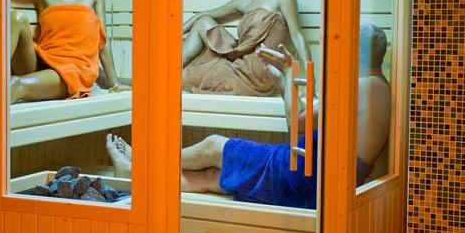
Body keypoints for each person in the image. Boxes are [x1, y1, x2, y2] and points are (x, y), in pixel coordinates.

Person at [107, 23, 391, 208]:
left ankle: (140, 161)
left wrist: (286, 77)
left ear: (357, 51)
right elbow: (310, 117)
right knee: (211, 179)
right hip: (314, 180)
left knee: (214, 146)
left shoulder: (361, 88)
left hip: (302, 179)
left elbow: (298, 124)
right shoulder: (378, 86)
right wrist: (283, 80)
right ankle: (134, 174)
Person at [182, 0, 312, 97]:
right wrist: (169, 37)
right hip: (239, 63)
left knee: (179, 77)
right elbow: (201, 16)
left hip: (259, 73)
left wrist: (311, 82)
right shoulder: (244, 3)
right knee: (203, 22)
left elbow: (297, 36)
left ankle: (167, 70)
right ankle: (169, 64)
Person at [9, 0, 127, 104]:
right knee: (16, 18)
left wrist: (114, 83)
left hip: (72, 69)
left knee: (14, 85)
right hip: (42, 61)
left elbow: (103, 42)